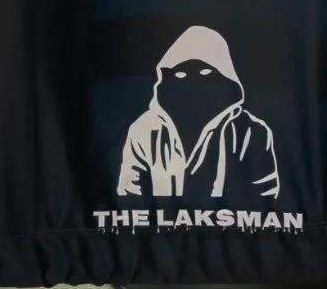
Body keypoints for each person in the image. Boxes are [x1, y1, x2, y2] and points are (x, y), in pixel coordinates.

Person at [117, 26, 279, 202]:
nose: (193, 82)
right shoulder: (145, 130)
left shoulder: (251, 132)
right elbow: (130, 194)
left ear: (225, 76)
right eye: (180, 74)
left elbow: (264, 198)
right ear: (166, 80)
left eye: (205, 72)